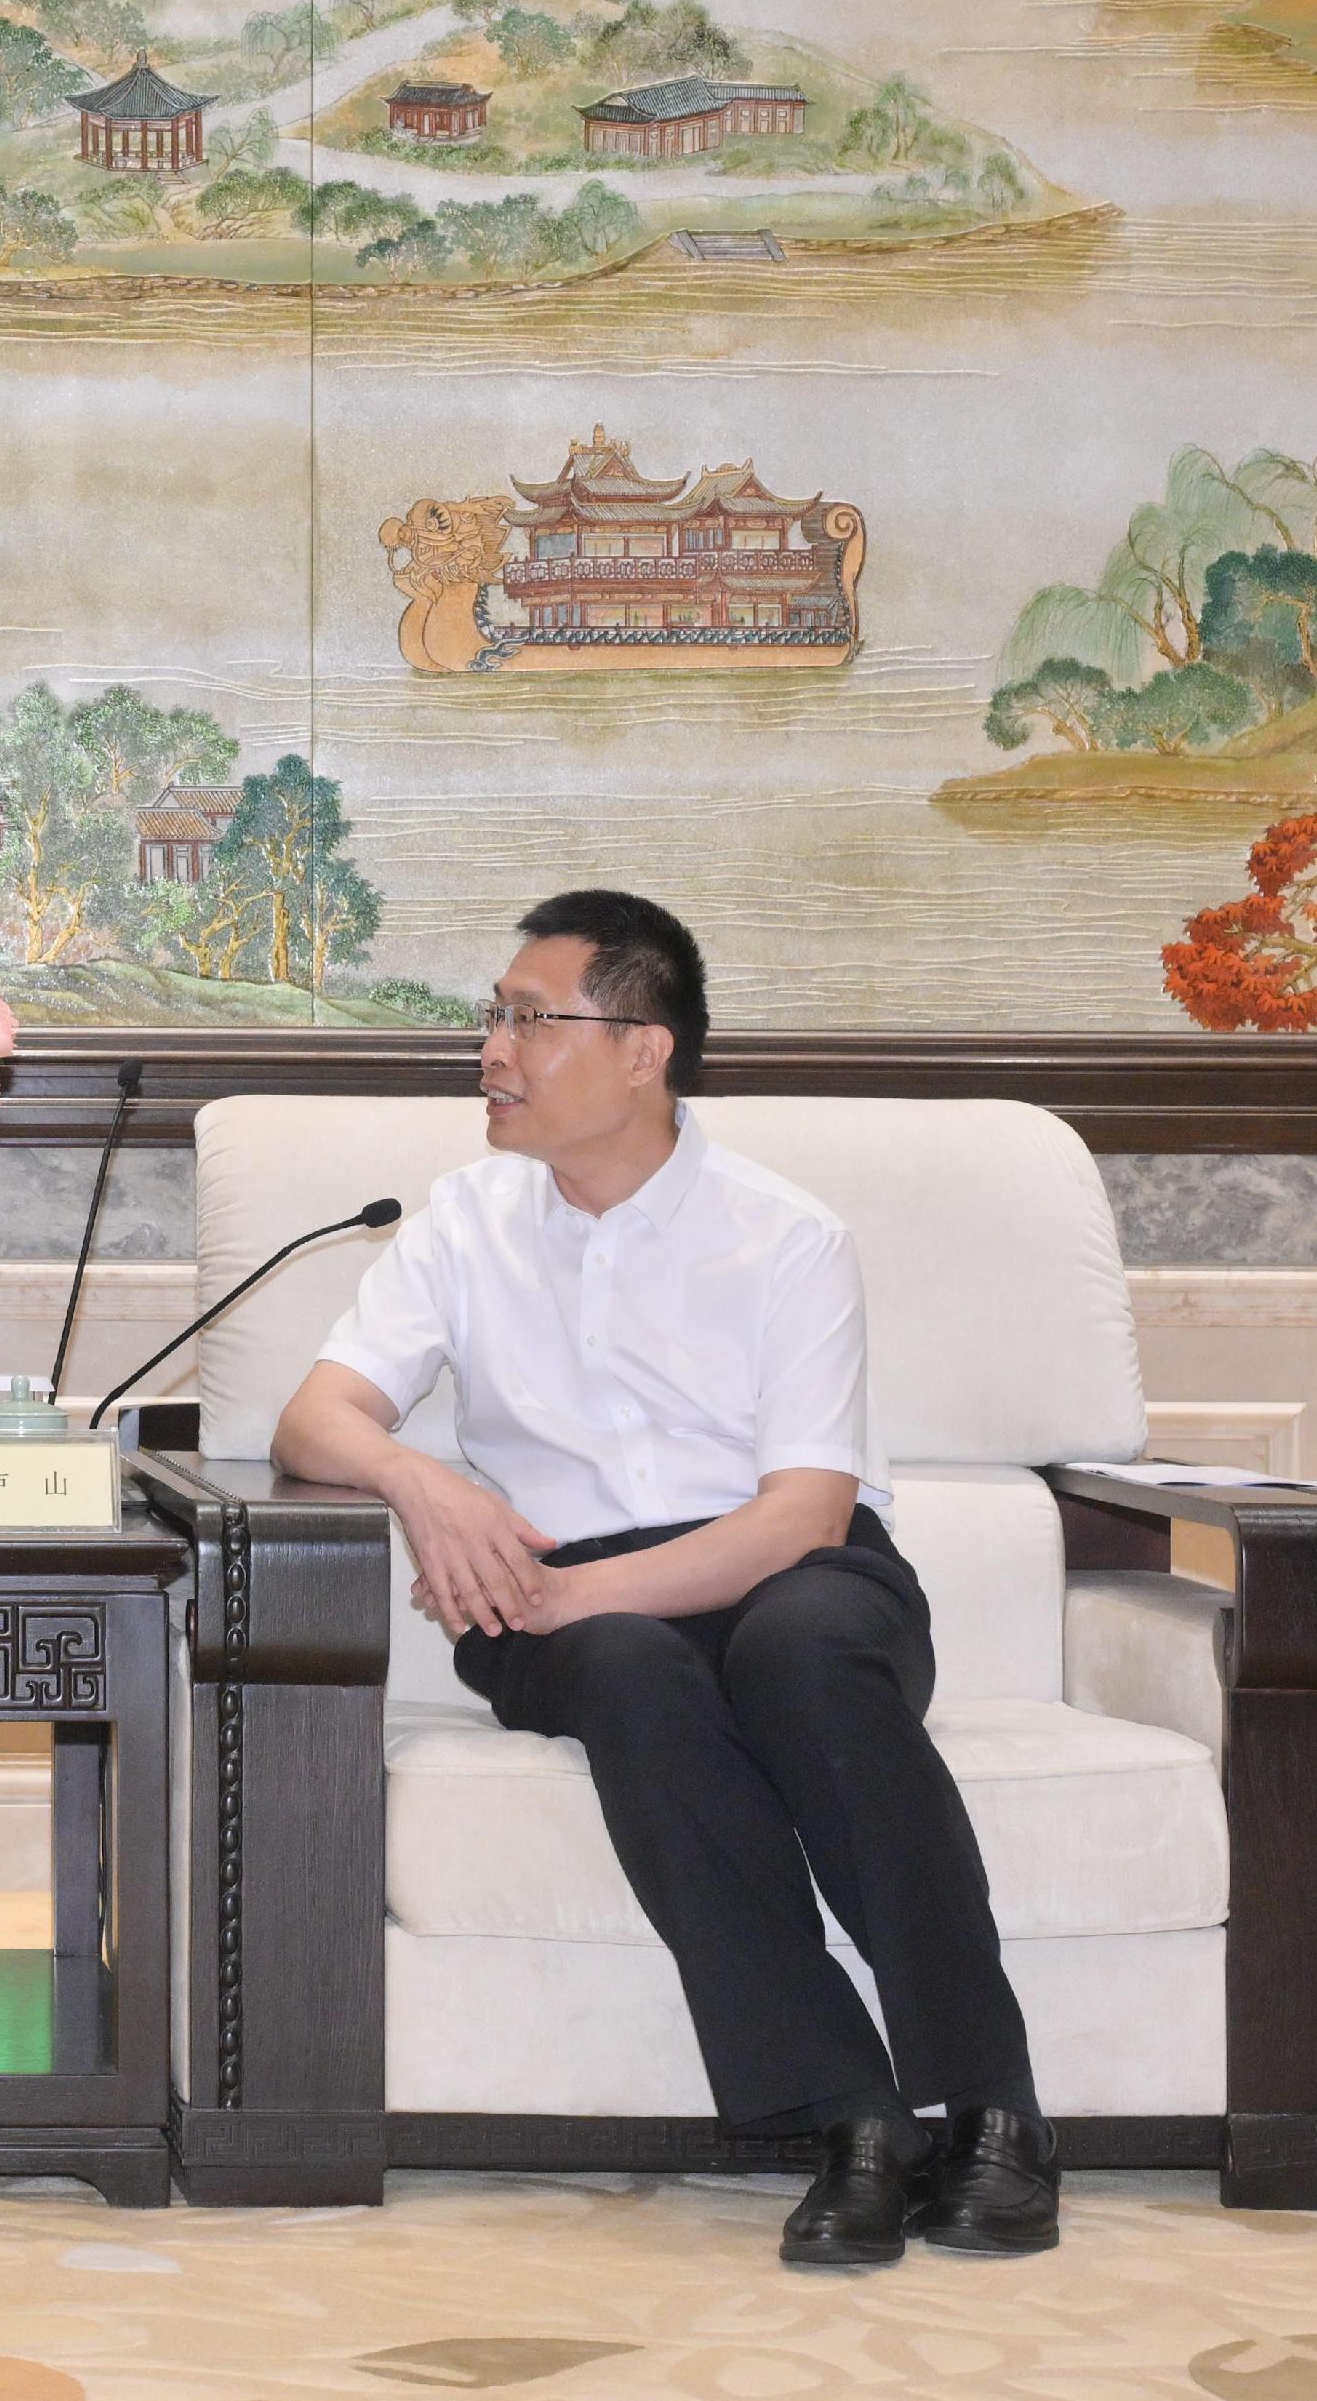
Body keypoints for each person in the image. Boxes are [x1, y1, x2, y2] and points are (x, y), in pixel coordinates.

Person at [270, 890, 1059, 2270]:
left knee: (799, 1654)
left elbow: (804, 1515)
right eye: (493, 1016)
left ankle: (992, 2105)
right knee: (634, 1678)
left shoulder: (784, 1234)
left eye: (532, 1018)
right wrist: (426, 1482)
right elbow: (313, 1419)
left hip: (785, 1568)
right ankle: (856, 2117)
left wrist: (569, 1596)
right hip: (564, 1587)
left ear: (644, 1049)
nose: (494, 1051)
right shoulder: (462, 1222)